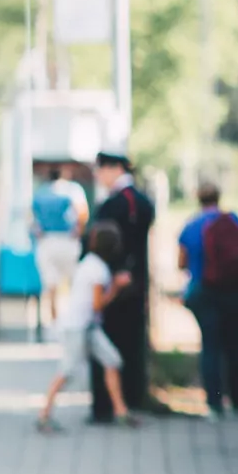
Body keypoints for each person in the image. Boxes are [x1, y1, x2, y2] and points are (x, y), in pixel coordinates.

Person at [37, 222, 136, 432]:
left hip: (88, 325)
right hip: (78, 326)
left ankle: (121, 411)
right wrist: (116, 288)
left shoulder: (90, 263)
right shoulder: (98, 270)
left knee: (112, 360)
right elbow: (98, 304)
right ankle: (44, 414)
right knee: (68, 370)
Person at [178, 183, 238, 417]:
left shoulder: (191, 225)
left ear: (198, 198)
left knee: (210, 347)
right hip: (235, 291)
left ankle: (214, 405)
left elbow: (181, 263)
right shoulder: (233, 219)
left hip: (205, 292)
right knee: (234, 346)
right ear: (218, 197)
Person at [89, 151, 156, 423]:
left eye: (101, 170)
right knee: (132, 344)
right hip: (137, 285)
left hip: (111, 286)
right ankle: (132, 397)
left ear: (114, 168)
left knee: (106, 346)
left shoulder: (112, 204)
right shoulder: (144, 202)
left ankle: (106, 406)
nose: (98, 176)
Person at [31, 168, 88, 327]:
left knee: (51, 286)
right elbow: (82, 212)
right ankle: (73, 321)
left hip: (47, 241)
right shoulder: (72, 190)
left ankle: (55, 323)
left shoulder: (40, 192)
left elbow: (31, 218)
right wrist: (79, 231)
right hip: (67, 241)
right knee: (73, 284)